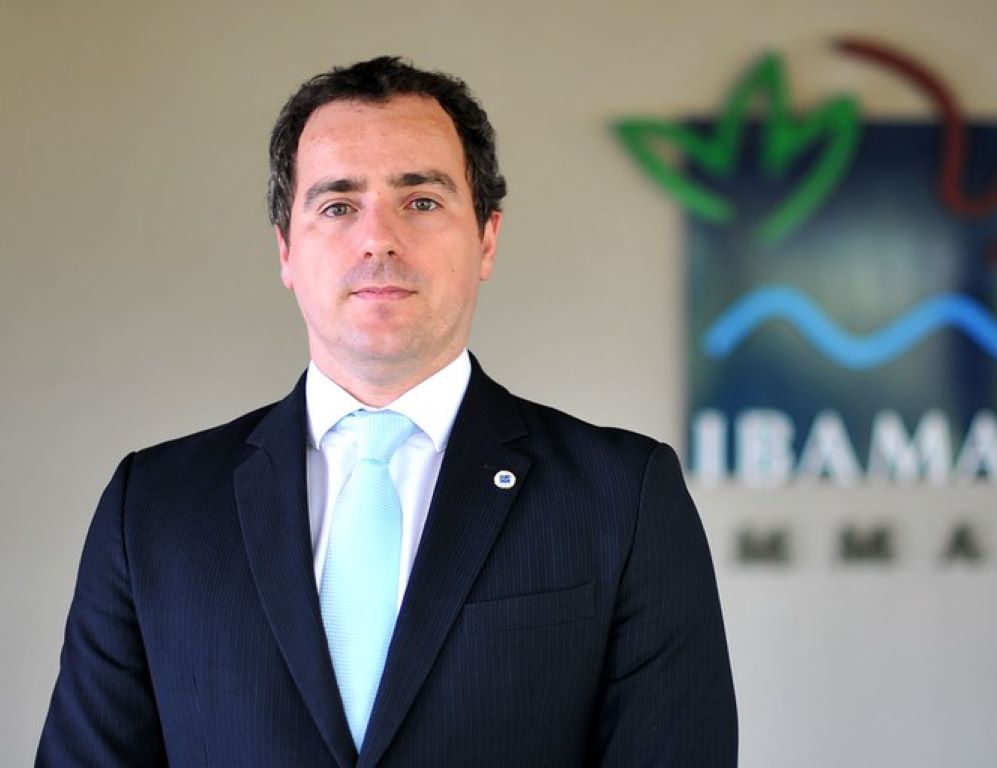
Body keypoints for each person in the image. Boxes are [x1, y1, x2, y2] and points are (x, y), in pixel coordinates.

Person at [37, 56, 738, 766]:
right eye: (338, 206)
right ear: (286, 249)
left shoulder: (622, 497)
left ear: (487, 238)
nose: (379, 238)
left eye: (422, 201)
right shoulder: (152, 508)